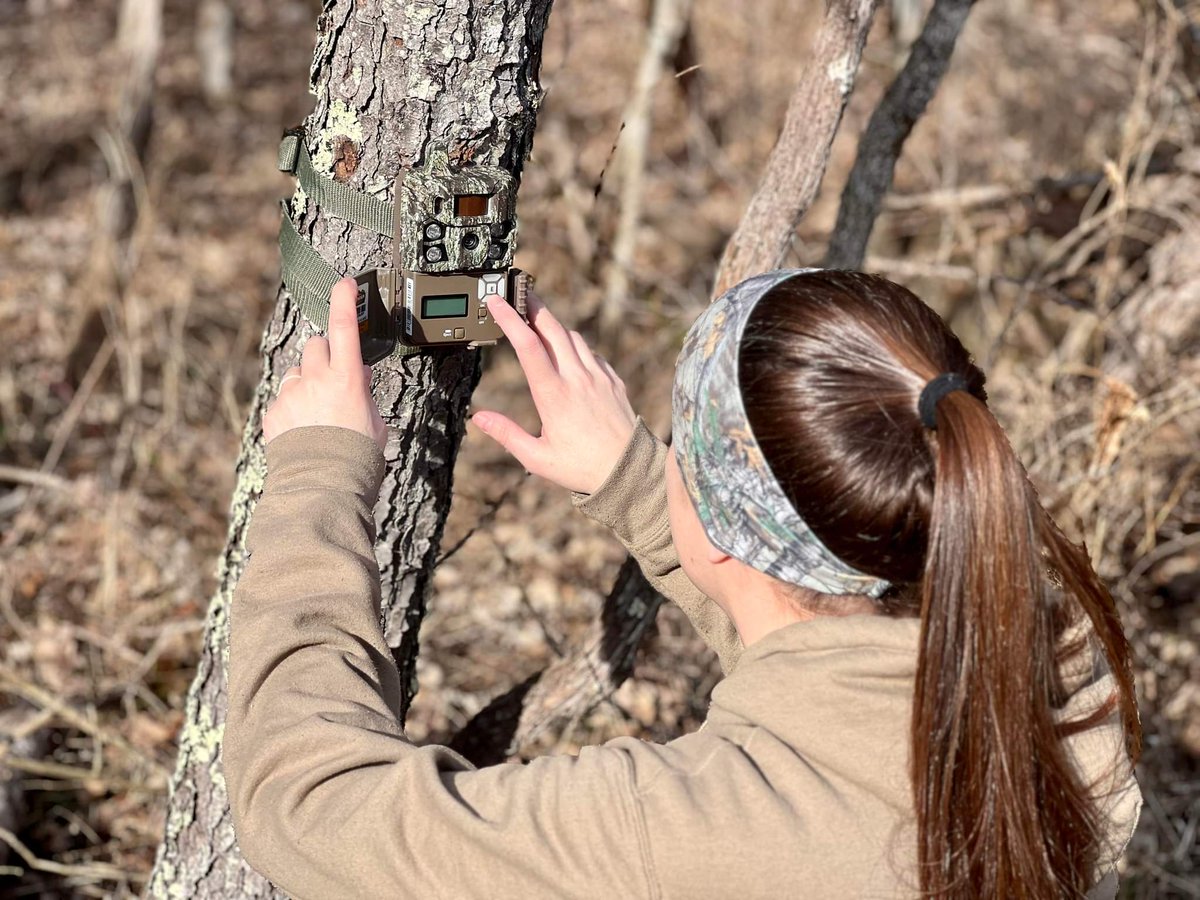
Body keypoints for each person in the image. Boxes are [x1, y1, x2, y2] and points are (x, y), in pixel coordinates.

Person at [223, 269, 1142, 899]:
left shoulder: (672, 833)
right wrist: (640, 481)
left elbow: (307, 805)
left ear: (726, 533)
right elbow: (815, 640)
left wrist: (318, 474)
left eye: (683, 454)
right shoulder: (1059, 675)